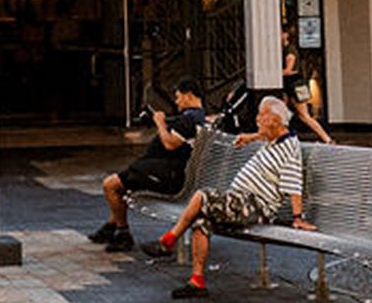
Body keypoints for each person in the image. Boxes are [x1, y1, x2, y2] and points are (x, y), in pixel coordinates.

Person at [142, 95, 315, 299]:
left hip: (256, 206)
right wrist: (252, 137)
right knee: (201, 219)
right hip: (240, 201)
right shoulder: (276, 137)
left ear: (276, 119)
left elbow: (294, 183)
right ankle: (197, 282)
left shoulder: (289, 148)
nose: (257, 119)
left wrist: (298, 218)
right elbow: (268, 134)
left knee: (202, 196)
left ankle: (168, 241)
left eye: (262, 115)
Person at [89, 79, 207, 252]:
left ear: (188, 95)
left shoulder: (189, 119)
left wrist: (159, 122)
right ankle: (111, 225)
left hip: (169, 177)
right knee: (124, 181)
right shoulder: (199, 117)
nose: (176, 102)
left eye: (178, 97)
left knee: (111, 185)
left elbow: (170, 144)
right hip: (172, 173)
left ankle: (123, 233)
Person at [280, 30, 332, 143]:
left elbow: (289, 70)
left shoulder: (290, 51)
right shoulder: (283, 50)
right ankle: (286, 138)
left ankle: (326, 139)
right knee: (283, 112)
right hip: (289, 85)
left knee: (304, 116)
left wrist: (275, 72)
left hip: (296, 85)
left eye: (281, 33)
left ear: (286, 35)